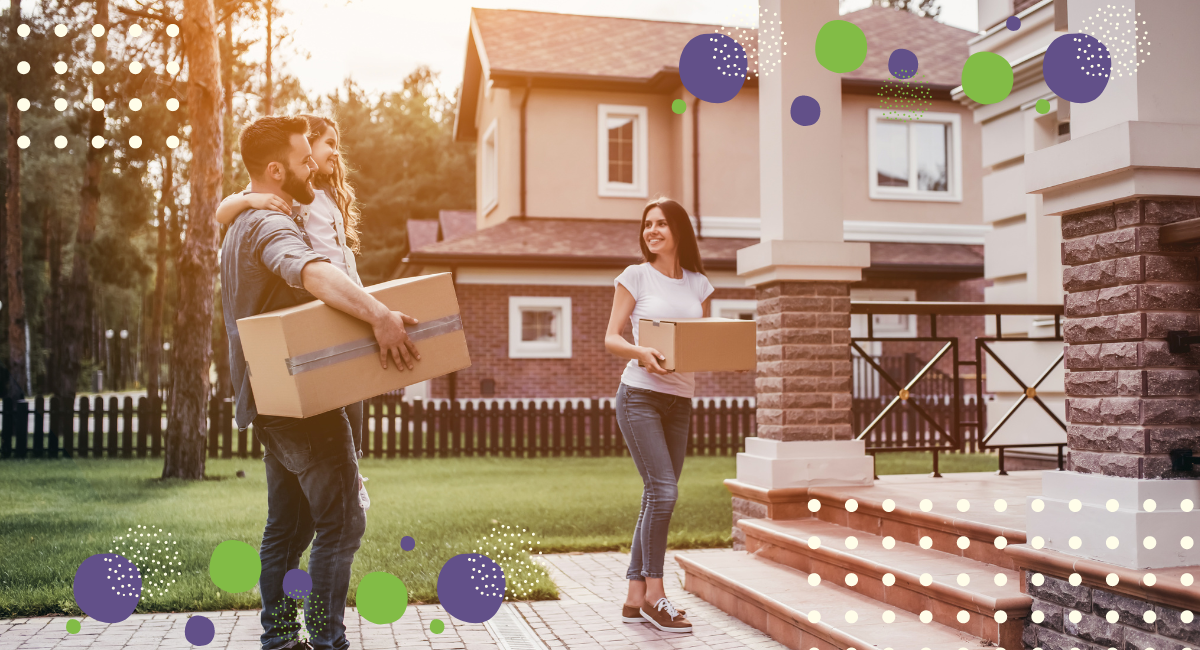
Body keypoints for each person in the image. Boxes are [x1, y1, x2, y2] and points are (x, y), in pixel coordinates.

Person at [220, 115, 420, 650]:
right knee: (342, 521)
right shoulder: (269, 226)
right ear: (275, 169)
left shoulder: (243, 222)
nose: (314, 164)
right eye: (303, 158)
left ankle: (281, 640)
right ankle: (328, 642)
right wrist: (379, 315)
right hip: (300, 403)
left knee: (288, 527)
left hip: (268, 398)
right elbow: (310, 270)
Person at [216, 115, 368, 477]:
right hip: (322, 313)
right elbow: (222, 210)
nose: (333, 152)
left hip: (346, 309)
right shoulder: (286, 200)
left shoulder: (328, 197)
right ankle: (348, 485)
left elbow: (344, 265)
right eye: (327, 143)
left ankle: (352, 472)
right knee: (333, 439)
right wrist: (253, 199)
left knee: (352, 422)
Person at [604, 197, 712, 634]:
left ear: (679, 231)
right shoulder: (635, 276)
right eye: (647, 224)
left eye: (661, 224)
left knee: (656, 495)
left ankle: (634, 598)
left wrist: (729, 359)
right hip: (640, 396)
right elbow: (611, 337)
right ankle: (655, 594)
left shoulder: (699, 284)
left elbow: (699, 345)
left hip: (679, 401)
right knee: (664, 493)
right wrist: (640, 351)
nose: (652, 231)